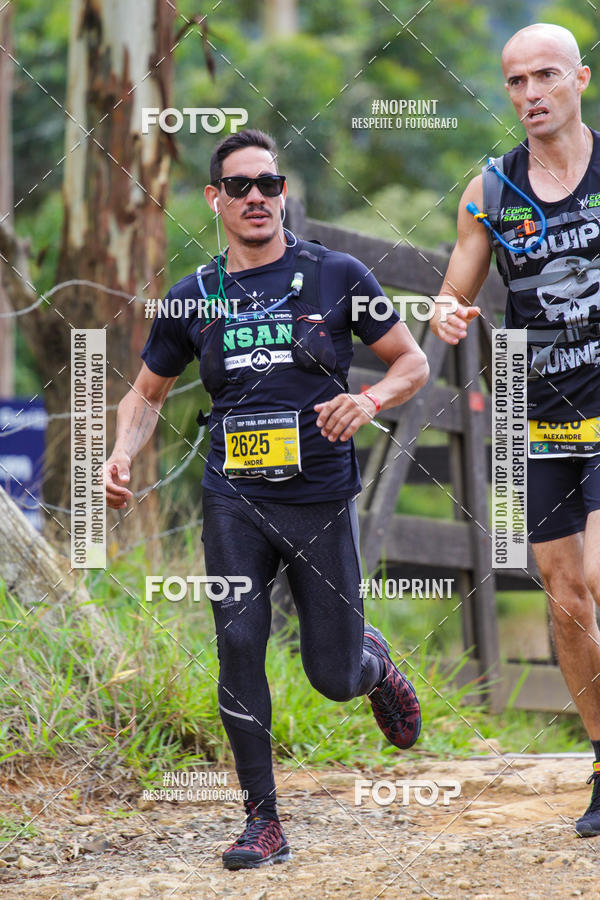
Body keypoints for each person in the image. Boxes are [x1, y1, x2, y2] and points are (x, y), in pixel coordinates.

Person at [105, 129, 428, 868]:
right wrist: (121, 454)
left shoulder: (336, 275)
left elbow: (411, 362)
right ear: (215, 200)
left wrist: (370, 399)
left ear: (284, 193)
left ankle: (371, 664)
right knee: (240, 647)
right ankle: (264, 822)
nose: (258, 198)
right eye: (241, 187)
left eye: (270, 185)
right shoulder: (193, 296)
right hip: (234, 498)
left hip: (318, 497)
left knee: (331, 675)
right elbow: (144, 394)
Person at [430, 24, 600, 837]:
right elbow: (452, 289)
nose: (530, 93)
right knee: (566, 600)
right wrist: (446, 313)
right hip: (542, 417)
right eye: (515, 82)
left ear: (580, 80)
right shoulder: (490, 190)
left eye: (545, 76)